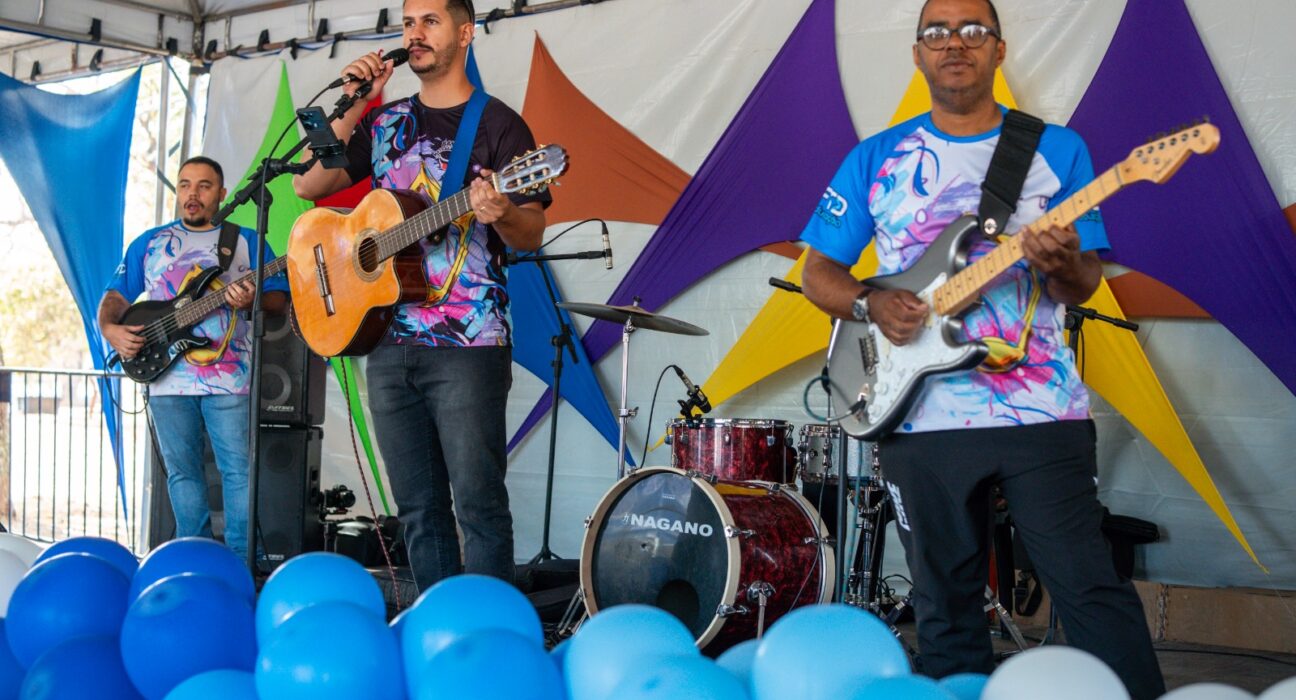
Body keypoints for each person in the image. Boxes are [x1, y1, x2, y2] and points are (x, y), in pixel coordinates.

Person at [799, 0, 1165, 697]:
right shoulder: (876, 159)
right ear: (917, 55)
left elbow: (1083, 282)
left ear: (999, 50)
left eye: (973, 30)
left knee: (1090, 589)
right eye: (936, 32)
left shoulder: (1058, 149)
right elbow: (819, 271)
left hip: (1041, 413)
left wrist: (1059, 262)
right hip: (917, 415)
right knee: (943, 610)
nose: (954, 44)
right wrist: (871, 301)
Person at [292, 0, 548, 590]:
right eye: (408, 23)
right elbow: (310, 183)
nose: (415, 33)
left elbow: (530, 230)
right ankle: (435, 628)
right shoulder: (387, 123)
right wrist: (357, 101)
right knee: (417, 510)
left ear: (465, 33)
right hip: (387, 339)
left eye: (429, 21)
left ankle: (487, 637)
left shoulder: (500, 125)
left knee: (478, 506)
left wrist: (502, 209)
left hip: (469, 343)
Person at [99, 155, 288, 563]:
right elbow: (115, 297)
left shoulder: (246, 241)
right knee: (183, 474)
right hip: (166, 379)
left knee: (238, 472)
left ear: (221, 194)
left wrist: (255, 298)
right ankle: (193, 558)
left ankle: (240, 563)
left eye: (204, 186)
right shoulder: (149, 244)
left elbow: (279, 298)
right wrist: (111, 330)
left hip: (229, 381)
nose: (192, 194)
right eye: (185, 185)